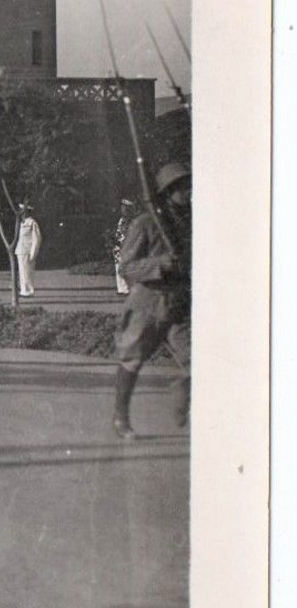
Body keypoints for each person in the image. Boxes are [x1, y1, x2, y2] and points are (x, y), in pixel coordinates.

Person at [112, 163, 191, 441]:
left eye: (188, 186)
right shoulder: (146, 224)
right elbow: (128, 267)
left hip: (179, 302)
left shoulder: (187, 223)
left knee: (197, 360)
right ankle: (121, 416)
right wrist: (160, 264)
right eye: (181, 188)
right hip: (149, 303)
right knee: (132, 359)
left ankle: (182, 392)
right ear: (167, 193)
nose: (187, 192)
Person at [15, 203, 42, 297]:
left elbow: (36, 239)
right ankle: (24, 290)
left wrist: (33, 253)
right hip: (20, 251)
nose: (21, 213)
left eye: (23, 211)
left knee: (27, 272)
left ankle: (28, 291)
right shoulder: (21, 222)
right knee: (22, 272)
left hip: (27, 251)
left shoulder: (32, 223)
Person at [112, 199, 136, 295]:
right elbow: (119, 232)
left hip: (127, 245)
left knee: (127, 265)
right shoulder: (122, 220)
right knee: (118, 266)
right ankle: (121, 288)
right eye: (122, 208)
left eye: (125, 209)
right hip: (119, 246)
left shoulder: (132, 221)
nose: (123, 210)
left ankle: (127, 288)